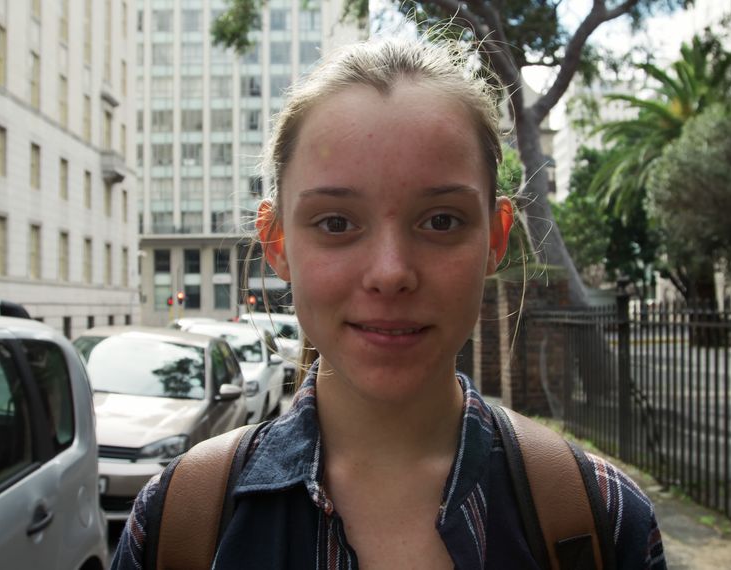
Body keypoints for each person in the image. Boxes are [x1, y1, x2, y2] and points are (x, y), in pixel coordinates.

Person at [111, 37, 667, 570]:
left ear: (496, 239)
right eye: (336, 223)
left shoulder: (600, 518)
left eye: (442, 221)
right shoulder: (178, 522)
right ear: (277, 243)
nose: (391, 273)